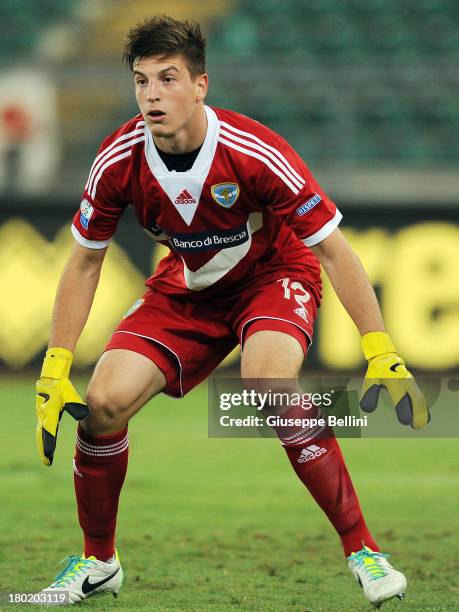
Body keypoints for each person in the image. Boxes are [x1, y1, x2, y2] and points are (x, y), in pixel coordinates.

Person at [35, 15, 429, 607]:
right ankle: (98, 562)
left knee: (268, 379)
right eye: (142, 81)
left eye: (168, 79)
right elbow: (85, 261)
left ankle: (364, 550)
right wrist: (55, 365)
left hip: (273, 275)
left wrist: (380, 348)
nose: (152, 95)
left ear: (200, 86)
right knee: (102, 405)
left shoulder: (253, 150)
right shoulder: (118, 158)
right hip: (186, 287)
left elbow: (333, 250)